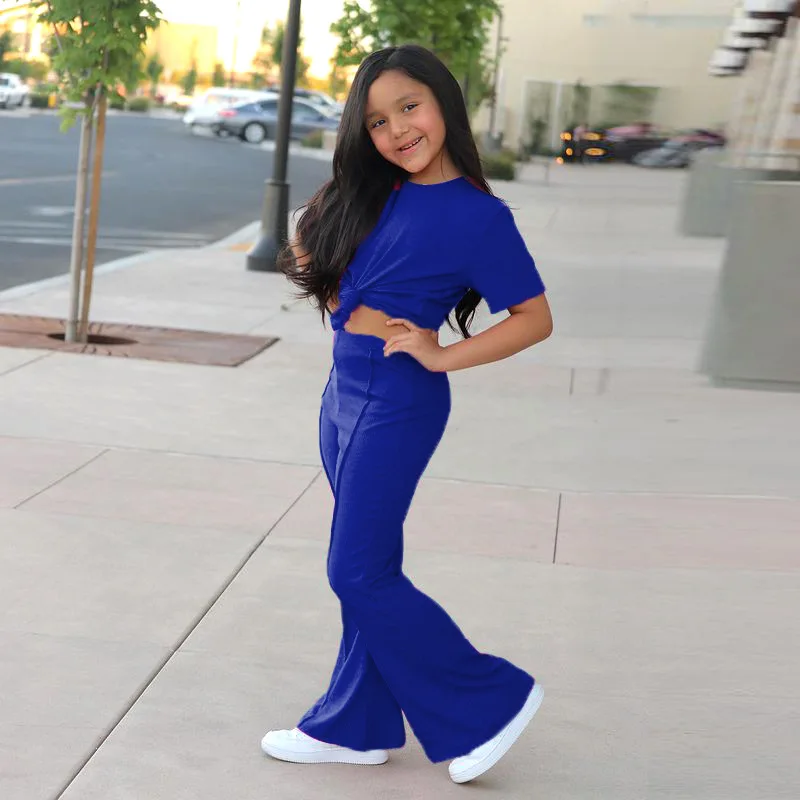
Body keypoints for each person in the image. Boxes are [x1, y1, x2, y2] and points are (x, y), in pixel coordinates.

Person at [262, 44, 553, 785]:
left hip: (397, 399)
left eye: (409, 107)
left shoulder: (479, 216)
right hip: (342, 388)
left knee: (356, 571)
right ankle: (354, 725)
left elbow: (534, 318)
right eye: (377, 121)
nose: (397, 130)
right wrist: (326, 282)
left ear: (443, 103)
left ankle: (489, 702)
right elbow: (307, 234)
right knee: (368, 563)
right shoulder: (373, 190)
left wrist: (442, 354)